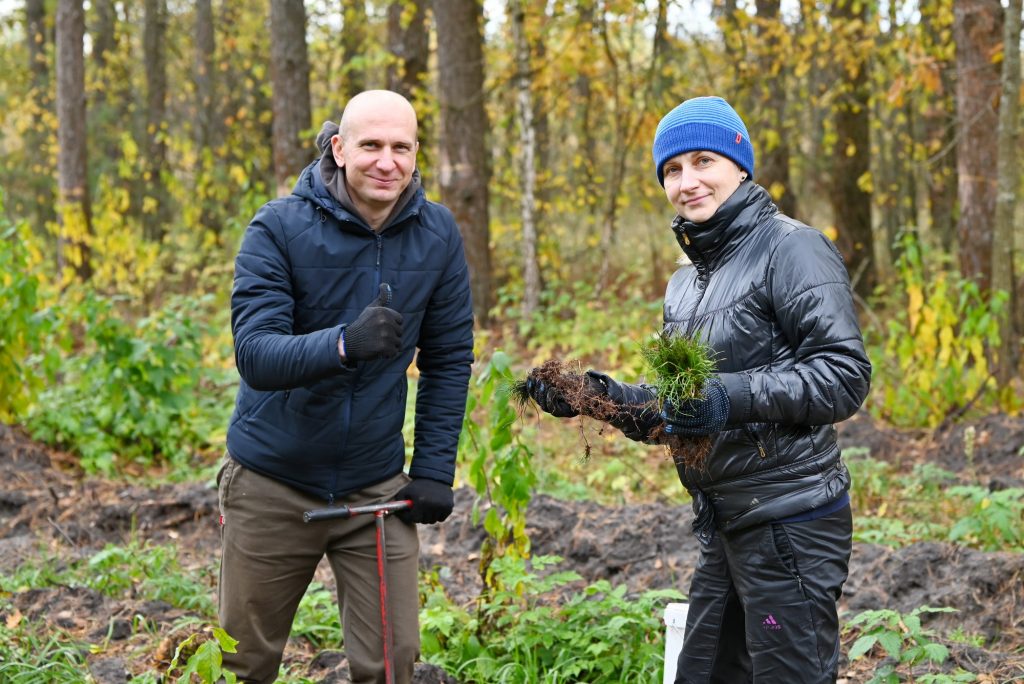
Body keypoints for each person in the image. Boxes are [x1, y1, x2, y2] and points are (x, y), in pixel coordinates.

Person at [527, 96, 871, 683]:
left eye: (703, 161)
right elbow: (679, 410)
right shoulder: (685, 284)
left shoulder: (792, 248)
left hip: (790, 524)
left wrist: (727, 396)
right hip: (726, 524)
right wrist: (594, 396)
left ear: (740, 165)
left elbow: (842, 376)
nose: (687, 182)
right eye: (672, 170)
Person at [219, 89, 474, 683]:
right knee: (243, 662)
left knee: (391, 665)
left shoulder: (437, 234)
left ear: (416, 154)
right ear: (338, 148)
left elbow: (449, 358)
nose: (387, 161)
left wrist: (435, 470)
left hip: (375, 490)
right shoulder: (277, 227)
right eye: (371, 146)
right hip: (272, 484)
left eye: (401, 147)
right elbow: (256, 355)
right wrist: (342, 344)